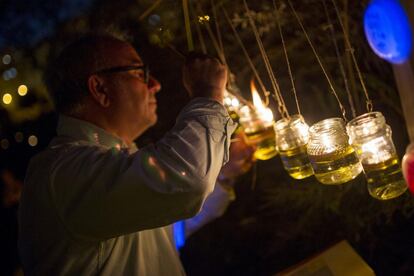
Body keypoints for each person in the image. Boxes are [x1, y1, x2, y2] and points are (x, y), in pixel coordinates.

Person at [18, 33, 254, 275]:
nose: (155, 85)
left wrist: (223, 174)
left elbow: (169, 228)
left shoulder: (115, 159)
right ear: (100, 88)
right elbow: (186, 183)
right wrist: (208, 92)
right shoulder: (63, 172)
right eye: (140, 74)